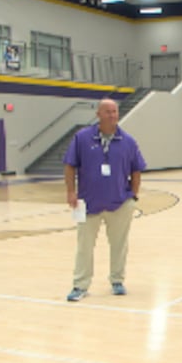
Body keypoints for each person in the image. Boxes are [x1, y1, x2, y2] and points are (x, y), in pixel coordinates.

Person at [64, 98, 147, 302]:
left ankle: (117, 281)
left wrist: (133, 195)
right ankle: (80, 285)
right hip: (87, 203)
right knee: (84, 246)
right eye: (108, 112)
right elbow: (69, 165)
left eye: (115, 111)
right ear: (98, 114)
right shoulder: (82, 138)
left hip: (119, 203)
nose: (112, 115)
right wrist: (70, 192)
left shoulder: (128, 141)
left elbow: (137, 169)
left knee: (119, 244)